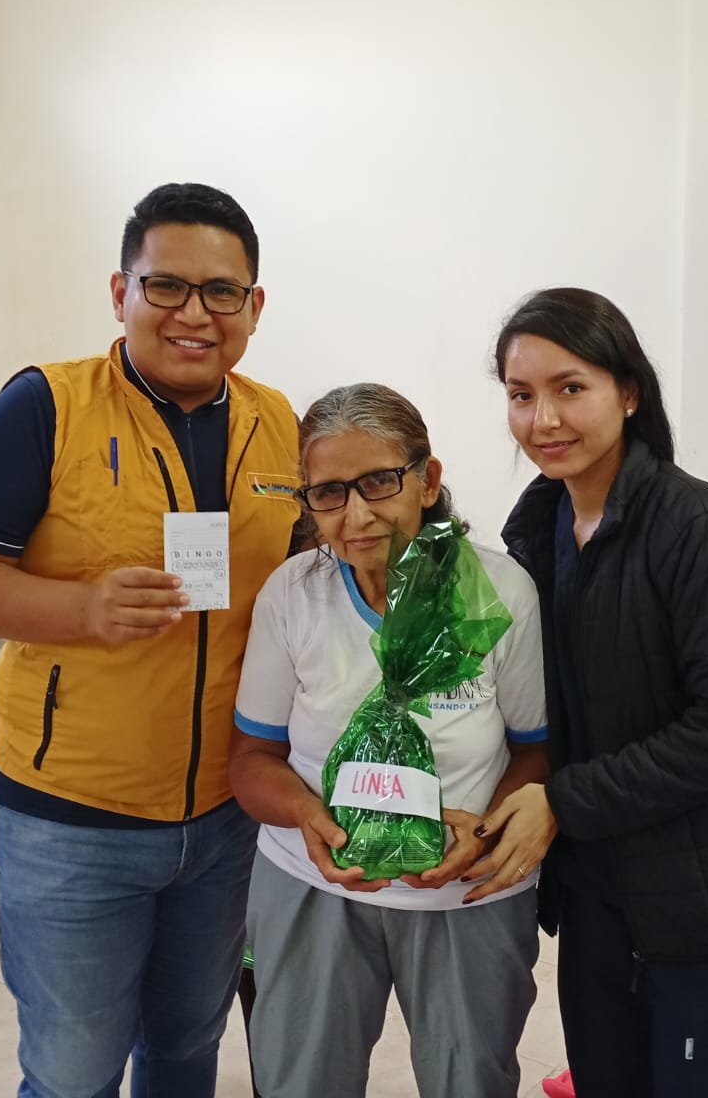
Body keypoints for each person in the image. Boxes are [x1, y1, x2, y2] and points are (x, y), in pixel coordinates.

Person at [0, 183, 300, 1098]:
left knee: (186, 1044)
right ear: (121, 292)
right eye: (166, 286)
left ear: (254, 306)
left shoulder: (278, 422)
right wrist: (84, 610)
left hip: (225, 813)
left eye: (221, 292)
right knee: (72, 1069)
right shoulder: (40, 409)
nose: (193, 314)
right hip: (73, 819)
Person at [477, 287, 708, 1098]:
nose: (543, 419)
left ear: (628, 392)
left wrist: (562, 802)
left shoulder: (702, 526)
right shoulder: (536, 531)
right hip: (598, 899)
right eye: (520, 395)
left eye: (570, 388)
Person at [229, 382, 549, 1098]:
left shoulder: (498, 592)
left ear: (427, 481)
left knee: (471, 1079)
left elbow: (535, 748)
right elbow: (252, 758)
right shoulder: (292, 594)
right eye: (328, 493)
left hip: (466, 893)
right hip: (314, 882)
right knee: (300, 1079)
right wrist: (306, 816)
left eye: (379, 482)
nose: (357, 515)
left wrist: (484, 834)